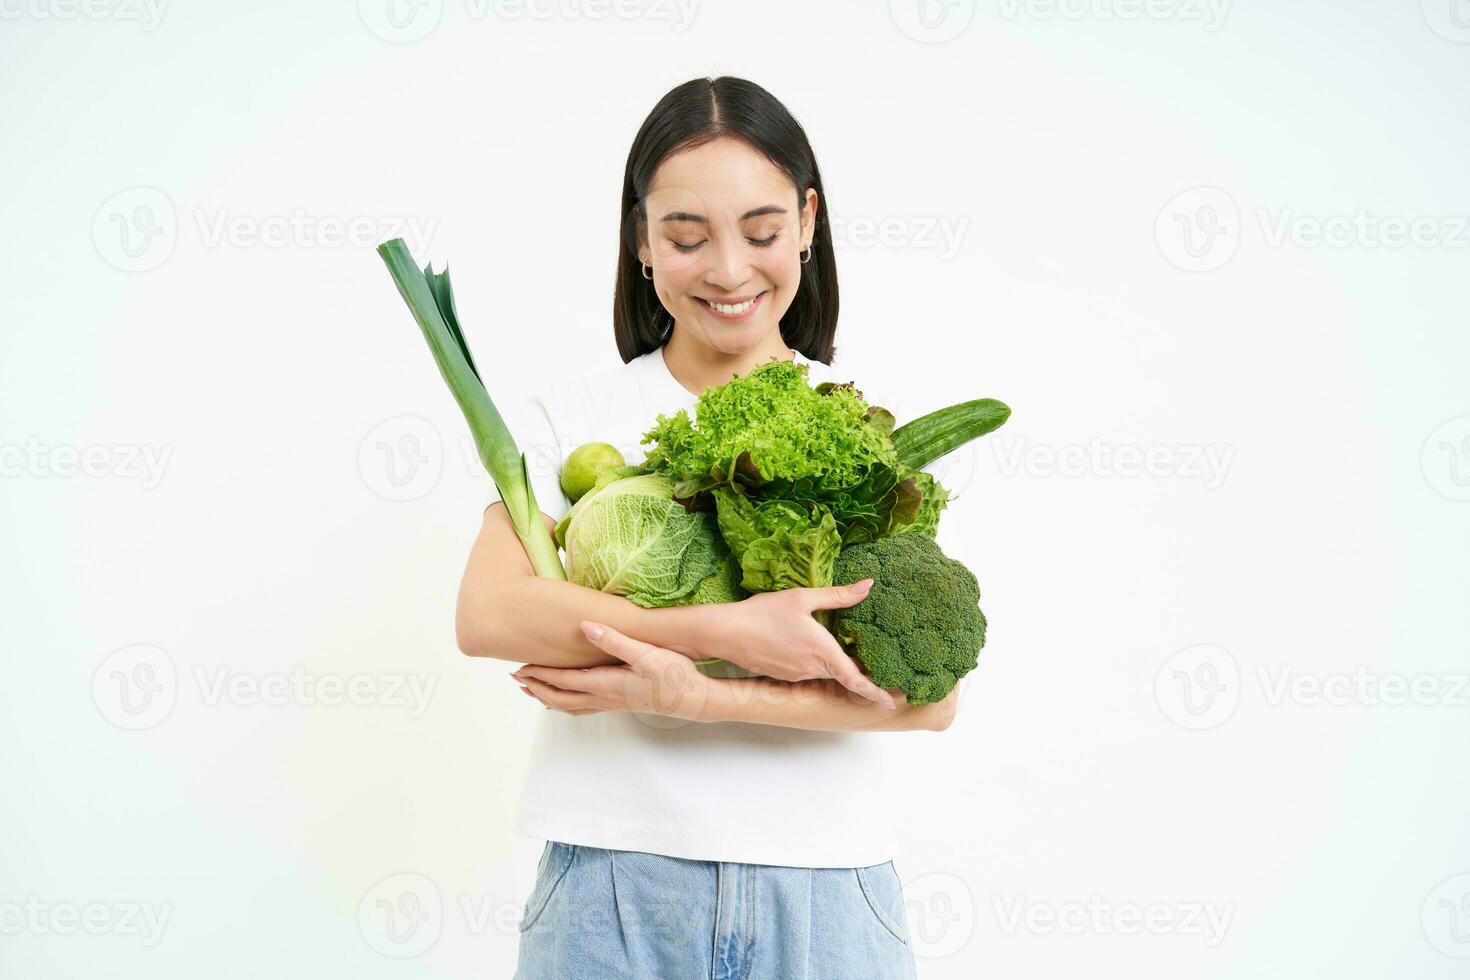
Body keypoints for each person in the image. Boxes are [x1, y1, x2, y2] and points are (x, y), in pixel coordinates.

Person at [460, 76, 955, 979]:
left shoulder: (861, 430)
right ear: (641, 243)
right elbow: (489, 616)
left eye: (762, 232)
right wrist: (714, 633)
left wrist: (697, 693)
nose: (729, 270)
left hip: (828, 888)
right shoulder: (574, 419)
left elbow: (930, 699)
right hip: (608, 883)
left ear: (809, 223)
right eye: (688, 237)